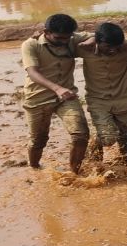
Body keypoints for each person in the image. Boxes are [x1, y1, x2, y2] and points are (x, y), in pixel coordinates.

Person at [21, 14, 90, 174]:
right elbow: (32, 72)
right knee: (39, 140)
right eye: (59, 38)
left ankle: (75, 173)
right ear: (46, 31)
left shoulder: (72, 38)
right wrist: (57, 88)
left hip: (66, 98)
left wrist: (91, 40)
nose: (64, 41)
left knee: (80, 135)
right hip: (38, 98)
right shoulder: (30, 45)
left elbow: (100, 34)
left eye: (68, 37)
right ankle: (34, 169)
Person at [77, 22, 127, 163]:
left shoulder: (126, 47)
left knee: (126, 135)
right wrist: (91, 37)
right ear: (98, 41)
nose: (113, 50)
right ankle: (95, 158)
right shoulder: (84, 49)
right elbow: (64, 37)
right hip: (98, 101)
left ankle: (126, 162)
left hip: (124, 100)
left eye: (117, 46)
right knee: (108, 138)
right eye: (108, 46)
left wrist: (125, 43)